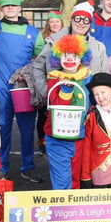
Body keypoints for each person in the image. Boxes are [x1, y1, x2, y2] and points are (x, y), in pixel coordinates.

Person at [0, 0, 45, 183]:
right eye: (6, 6)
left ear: (20, 7)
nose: (10, 8)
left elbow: (43, 58)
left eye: (13, 5)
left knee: (27, 129)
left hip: (23, 88)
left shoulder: (33, 32)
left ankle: (27, 167)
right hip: (1, 89)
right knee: (2, 127)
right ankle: (1, 167)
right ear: (1, 8)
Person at [33, 0, 109, 108]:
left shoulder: (98, 47)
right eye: (78, 18)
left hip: (90, 106)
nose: (81, 23)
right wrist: (47, 93)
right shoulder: (55, 42)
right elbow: (37, 67)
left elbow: (105, 77)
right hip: (58, 105)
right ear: (71, 20)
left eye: (86, 20)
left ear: (90, 24)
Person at [43, 35, 93, 189]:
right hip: (58, 137)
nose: (70, 59)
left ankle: (71, 212)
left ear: (81, 58)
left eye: (74, 55)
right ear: (58, 57)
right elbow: (55, 103)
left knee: (75, 178)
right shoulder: (54, 78)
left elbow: (99, 96)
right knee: (62, 181)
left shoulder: (87, 76)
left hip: (79, 136)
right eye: (65, 55)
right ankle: (61, 211)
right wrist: (65, 90)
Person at [81, 73, 111, 188]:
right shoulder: (92, 116)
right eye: (96, 94)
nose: (100, 97)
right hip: (97, 168)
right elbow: (86, 147)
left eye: (103, 92)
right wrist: (85, 175)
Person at [36, 10, 65, 154]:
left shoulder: (66, 36)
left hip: (61, 77)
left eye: (57, 21)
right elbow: (37, 55)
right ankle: (42, 141)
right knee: (43, 112)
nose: (54, 24)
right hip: (46, 77)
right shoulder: (42, 37)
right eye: (51, 21)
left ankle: (56, 139)